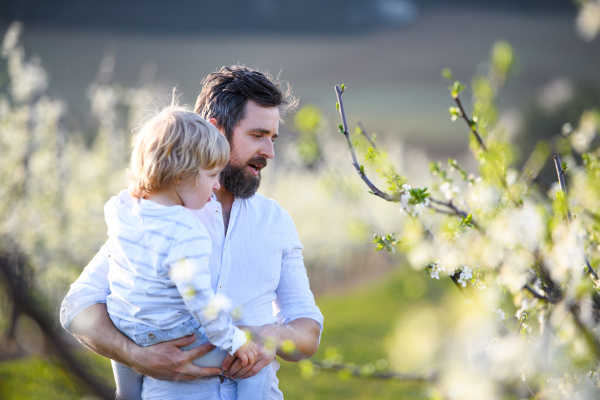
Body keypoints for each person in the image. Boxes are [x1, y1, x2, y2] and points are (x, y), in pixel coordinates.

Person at [60, 65, 324, 399]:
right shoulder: (154, 218)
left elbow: (308, 330)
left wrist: (265, 336)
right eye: (257, 136)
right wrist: (137, 356)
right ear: (214, 129)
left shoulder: (276, 221)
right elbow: (76, 307)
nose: (269, 152)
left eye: (272, 139)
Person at [105, 105, 271, 400]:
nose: (217, 185)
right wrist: (234, 340)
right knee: (256, 362)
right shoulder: (186, 230)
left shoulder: (122, 209)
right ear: (181, 175)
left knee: (126, 390)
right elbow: (199, 299)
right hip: (175, 338)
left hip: (125, 328)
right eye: (211, 175)